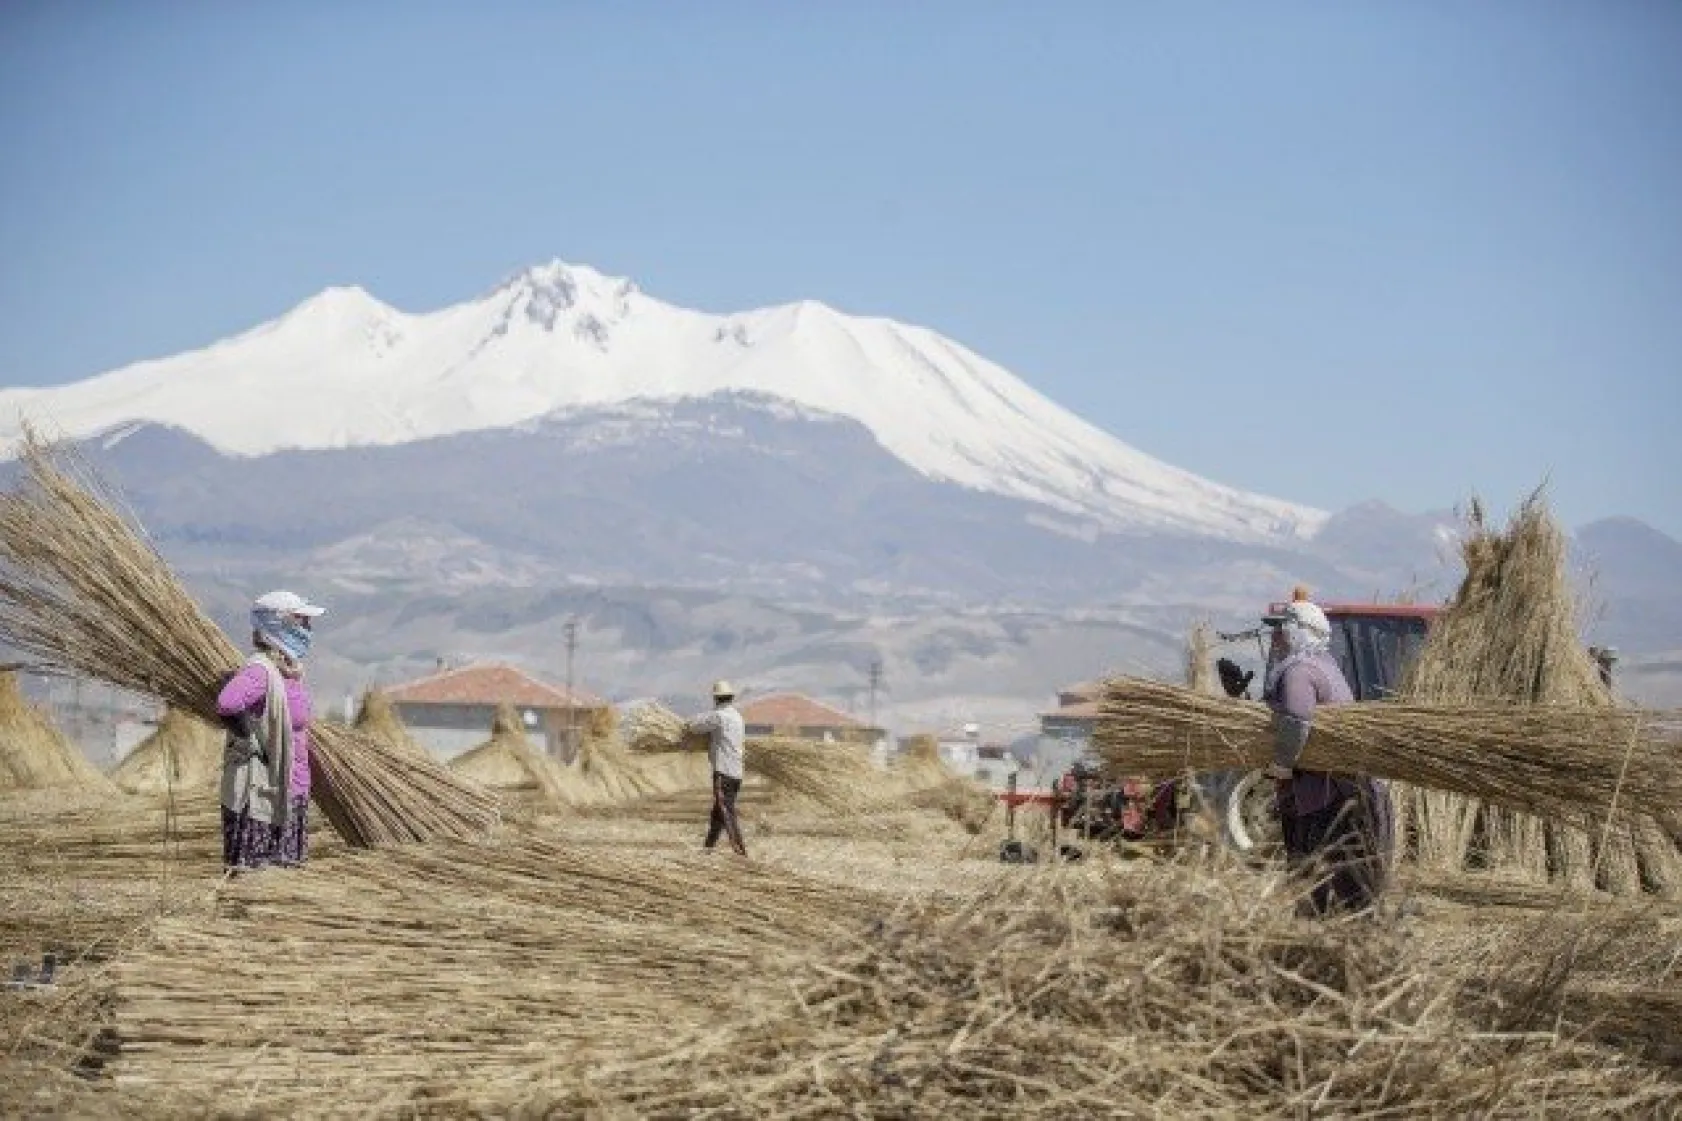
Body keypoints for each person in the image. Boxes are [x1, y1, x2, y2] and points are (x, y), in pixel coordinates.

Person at [1261, 590, 1393, 914]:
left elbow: (1296, 720)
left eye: (1281, 629)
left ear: (1297, 631)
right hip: (1348, 793)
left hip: (1326, 799)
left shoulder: (1299, 671)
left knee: (1320, 880)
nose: (1275, 636)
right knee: (1349, 883)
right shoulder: (1328, 666)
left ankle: (1321, 946)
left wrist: (1280, 766)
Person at [216, 590, 326, 872]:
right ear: (279, 626)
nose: (307, 630)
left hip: (291, 792)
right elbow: (228, 703)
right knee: (257, 882)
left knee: (282, 884)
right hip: (262, 799)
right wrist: (252, 739)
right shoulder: (261, 671)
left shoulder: (288, 671)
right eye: (302, 623)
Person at [687, 679, 747, 856]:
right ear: (730, 697)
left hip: (724, 772)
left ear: (716, 699)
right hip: (736, 773)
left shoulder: (719, 716)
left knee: (725, 811)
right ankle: (708, 848)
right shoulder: (738, 717)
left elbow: (695, 728)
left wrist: (687, 725)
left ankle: (740, 852)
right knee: (718, 812)